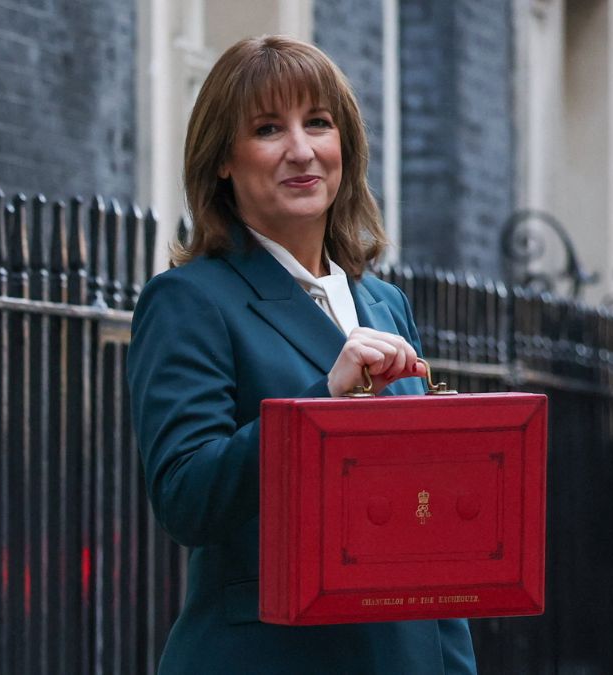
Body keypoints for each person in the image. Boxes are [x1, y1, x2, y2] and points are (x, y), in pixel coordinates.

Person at [127, 35, 477, 674]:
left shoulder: (385, 304)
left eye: (318, 122)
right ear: (223, 159)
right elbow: (185, 499)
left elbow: (425, 532)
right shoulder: (189, 300)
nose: (301, 149)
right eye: (268, 129)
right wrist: (322, 404)